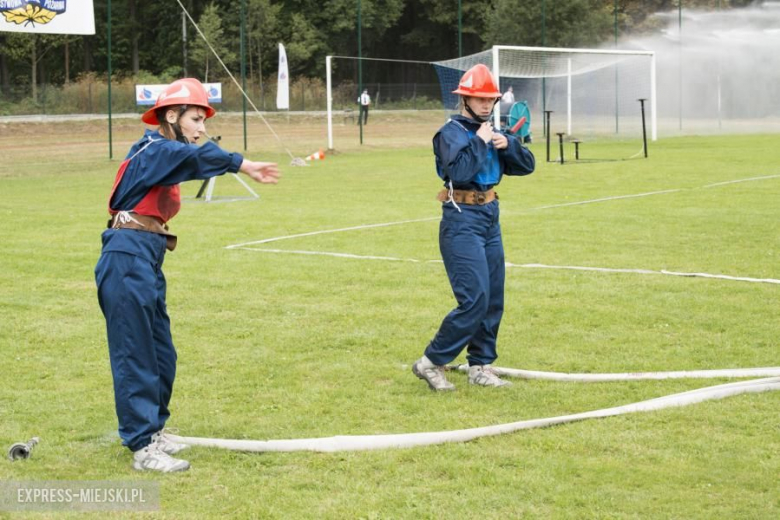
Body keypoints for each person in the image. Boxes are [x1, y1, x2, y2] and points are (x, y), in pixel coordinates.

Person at [94, 78, 280, 472]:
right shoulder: (157, 148)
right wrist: (243, 164)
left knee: (161, 352)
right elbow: (195, 161)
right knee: (136, 351)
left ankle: (155, 430)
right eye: (196, 118)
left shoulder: (162, 150)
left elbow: (186, 160)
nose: (202, 128)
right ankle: (142, 446)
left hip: (146, 255)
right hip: (126, 255)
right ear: (171, 116)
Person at [412, 64, 535, 391]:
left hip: (490, 216)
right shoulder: (451, 132)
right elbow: (462, 170)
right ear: (465, 98)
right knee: (475, 298)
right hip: (461, 218)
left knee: (494, 296)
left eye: (490, 99)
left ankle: (480, 365)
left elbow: (527, 166)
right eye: (479, 98)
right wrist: (481, 142)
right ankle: (430, 361)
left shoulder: (492, 131)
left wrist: (508, 145)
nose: (486, 104)